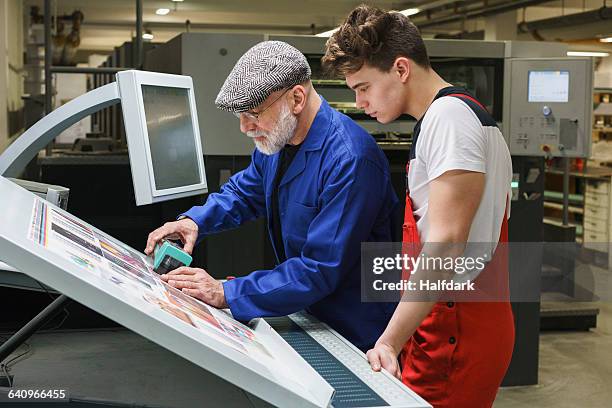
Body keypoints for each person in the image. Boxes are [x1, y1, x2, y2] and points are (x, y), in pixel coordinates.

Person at [145, 41, 398, 351]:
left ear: (296, 98)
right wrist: (194, 221)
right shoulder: (277, 142)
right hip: (309, 311)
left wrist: (226, 292)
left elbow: (318, 268)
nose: (244, 128)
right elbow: (244, 193)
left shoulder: (351, 159)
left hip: (357, 327)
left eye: (252, 113)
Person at [322, 5, 515, 407]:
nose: (360, 102)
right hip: (452, 320)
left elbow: (445, 245)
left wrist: (389, 342)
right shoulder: (454, 115)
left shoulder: (449, 120)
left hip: (456, 329)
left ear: (401, 69)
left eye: (363, 87)